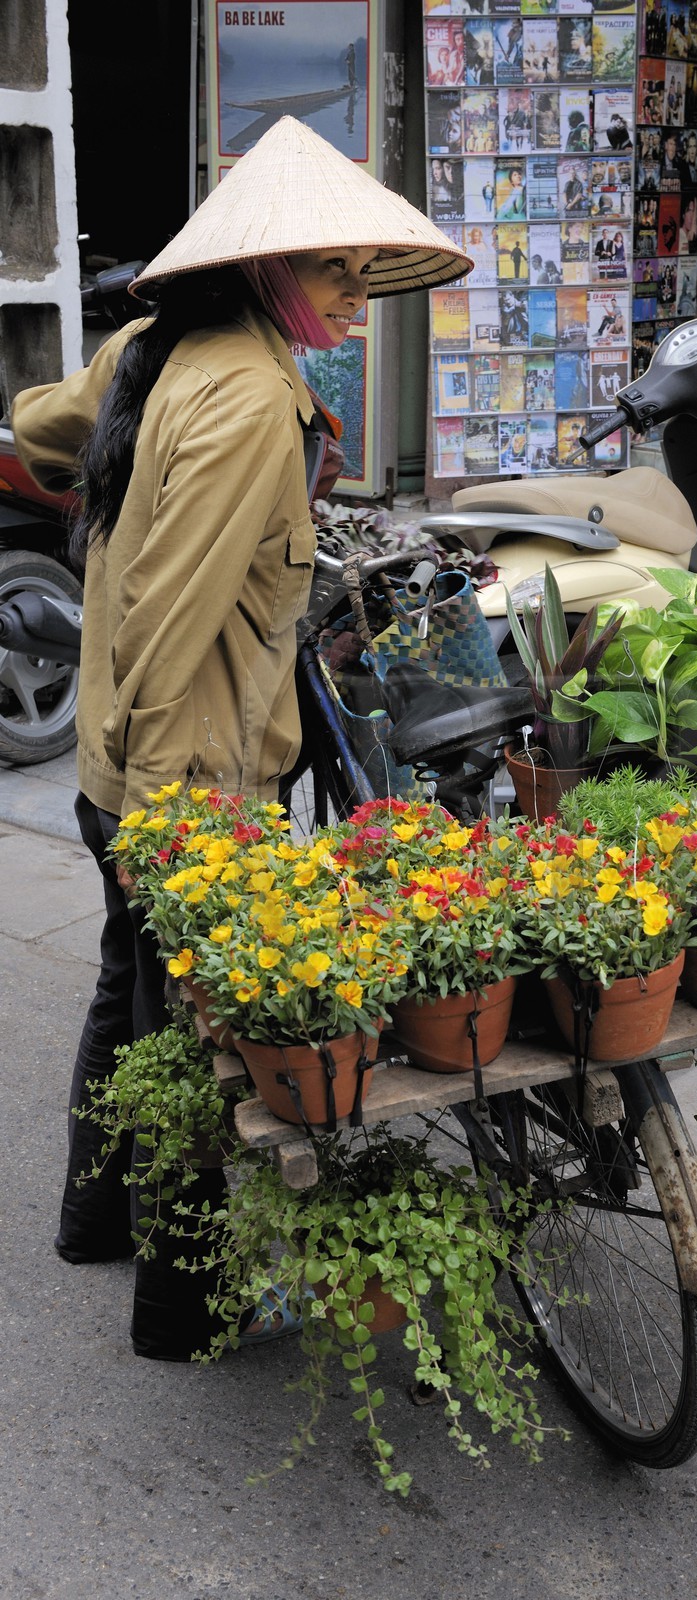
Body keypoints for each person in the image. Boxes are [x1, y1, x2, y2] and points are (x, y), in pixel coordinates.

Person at [10, 116, 470, 1364]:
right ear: (263, 268)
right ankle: (184, 1306)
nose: (354, 290)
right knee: (205, 1039)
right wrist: (177, 828)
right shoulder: (251, 396)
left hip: (129, 766)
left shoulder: (152, 351)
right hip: (188, 771)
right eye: (330, 266)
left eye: (361, 267)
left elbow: (41, 429)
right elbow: (173, 608)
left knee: (133, 996)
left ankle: (88, 1224)